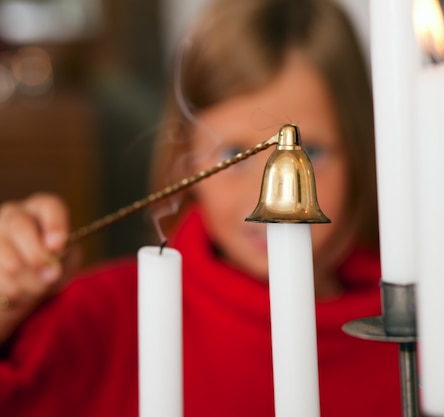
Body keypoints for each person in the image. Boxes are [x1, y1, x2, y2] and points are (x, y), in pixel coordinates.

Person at [0, 0, 404, 416]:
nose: (263, 196)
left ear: (360, 152)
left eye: (311, 151)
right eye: (234, 153)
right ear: (188, 156)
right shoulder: (105, 320)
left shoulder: (412, 331)